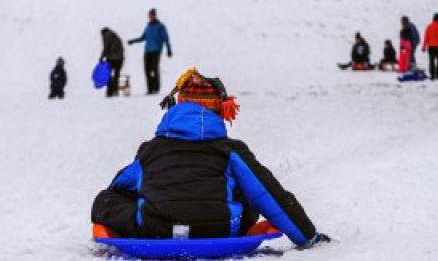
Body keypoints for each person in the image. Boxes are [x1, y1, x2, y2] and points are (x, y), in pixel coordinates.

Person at [91, 68, 330, 248]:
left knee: (106, 199)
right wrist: (308, 237)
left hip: (157, 229)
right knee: (248, 191)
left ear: (176, 106)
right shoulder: (230, 150)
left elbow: (118, 188)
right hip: (221, 228)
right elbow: (271, 195)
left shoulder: (151, 150)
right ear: (220, 111)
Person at [128, 8, 172, 95]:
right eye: (149, 15)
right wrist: (133, 41)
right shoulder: (148, 26)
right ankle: (150, 89)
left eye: (151, 15)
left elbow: (166, 38)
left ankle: (156, 88)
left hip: (156, 50)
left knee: (155, 69)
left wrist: (169, 49)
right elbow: (143, 37)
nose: (150, 17)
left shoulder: (160, 26)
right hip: (147, 51)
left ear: (154, 15)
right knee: (147, 70)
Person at [99, 27, 125, 97]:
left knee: (108, 75)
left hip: (112, 58)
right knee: (116, 75)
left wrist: (101, 57)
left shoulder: (106, 36)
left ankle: (110, 91)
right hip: (120, 58)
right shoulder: (114, 35)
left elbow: (106, 48)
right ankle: (115, 90)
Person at [422, 13, 438, 80]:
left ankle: (432, 75)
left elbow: (426, 37)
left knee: (431, 61)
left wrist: (424, 47)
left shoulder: (429, 27)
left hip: (431, 47)